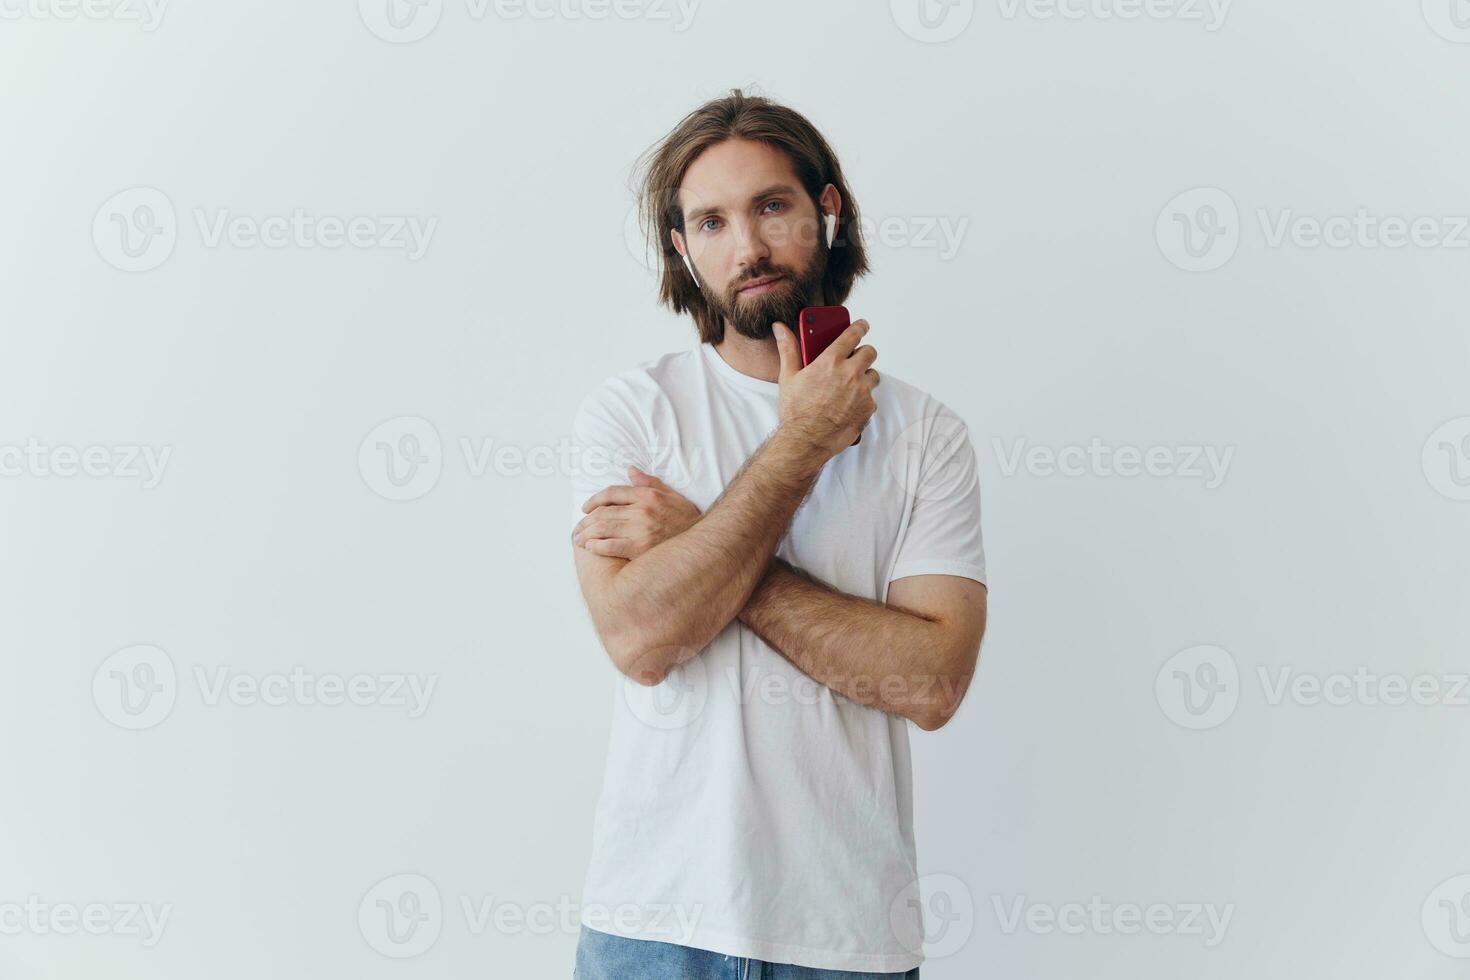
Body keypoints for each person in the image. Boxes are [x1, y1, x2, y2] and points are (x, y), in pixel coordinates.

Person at [568, 89, 988, 978]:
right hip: (653, 926)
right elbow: (642, 638)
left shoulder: (927, 436)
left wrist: (702, 548)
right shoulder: (634, 415)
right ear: (682, 250)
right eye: (711, 222)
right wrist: (801, 443)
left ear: (826, 210)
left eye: (770, 206)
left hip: (844, 938)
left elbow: (931, 682)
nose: (748, 247)